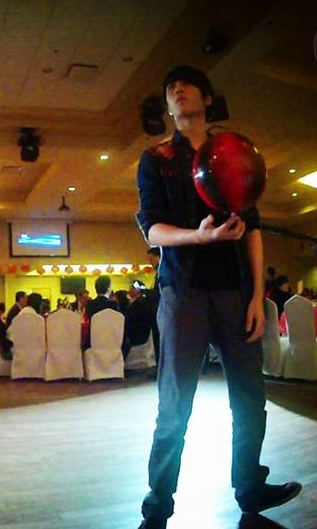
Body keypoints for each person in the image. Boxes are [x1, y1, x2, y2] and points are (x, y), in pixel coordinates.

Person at [134, 65, 301, 529]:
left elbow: (254, 229)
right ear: (167, 106)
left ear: (207, 99)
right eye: (170, 87)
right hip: (182, 293)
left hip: (235, 292)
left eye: (186, 84)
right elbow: (153, 230)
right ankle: (158, 508)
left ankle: (250, 488)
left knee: (250, 399)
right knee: (174, 407)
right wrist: (199, 236)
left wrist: (257, 296)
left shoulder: (232, 151)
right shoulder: (157, 158)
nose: (176, 89)